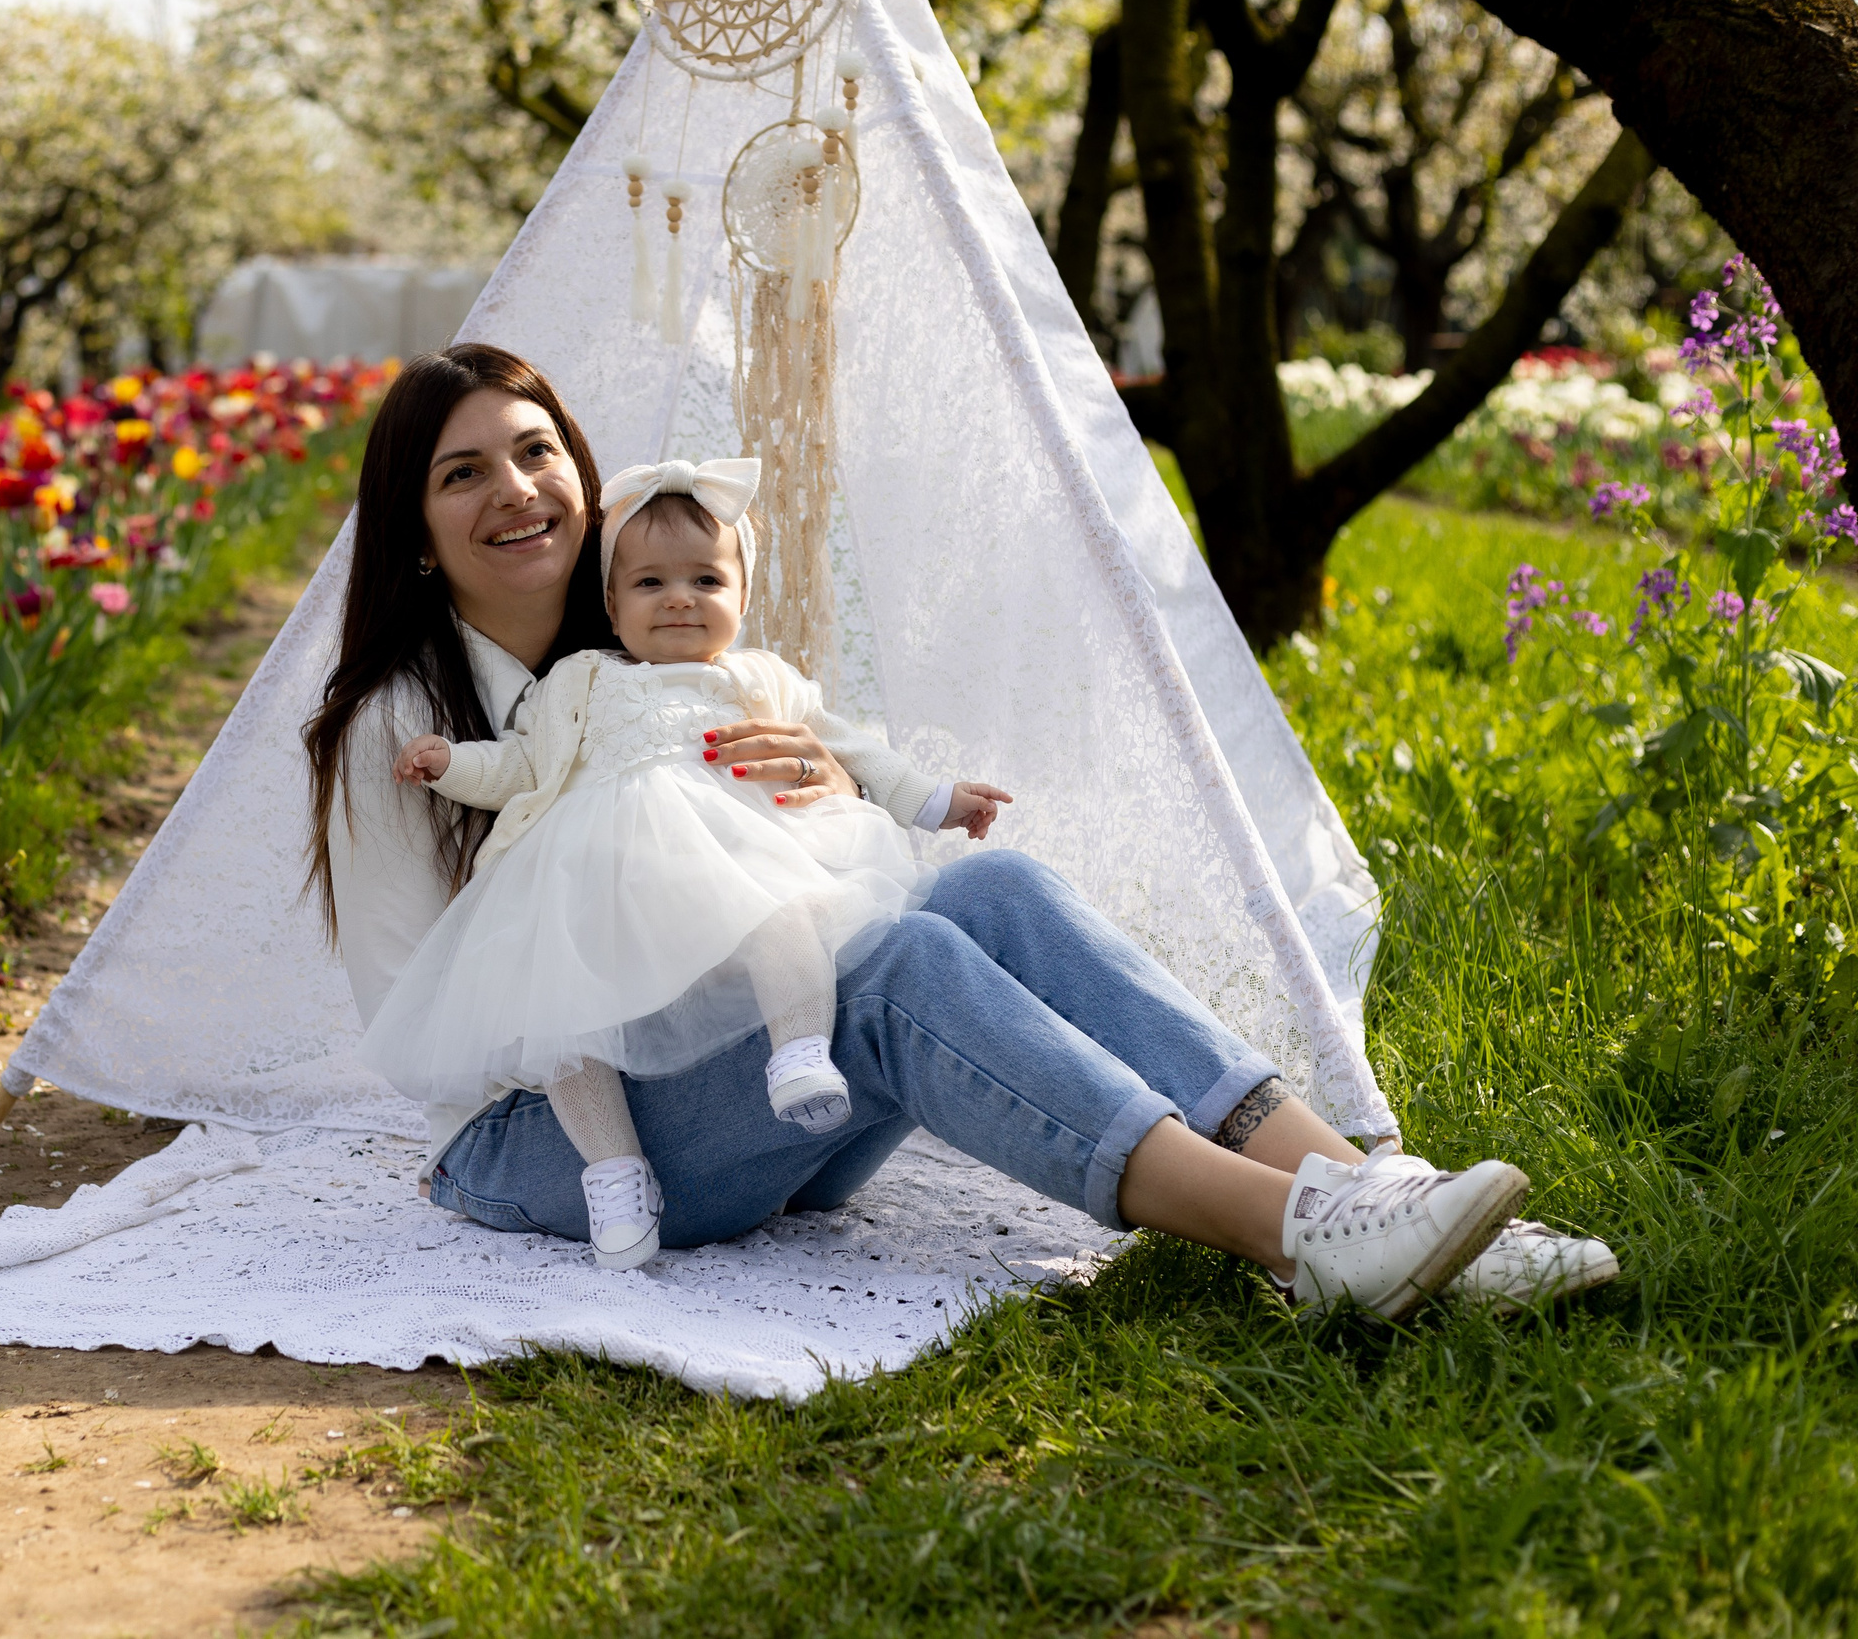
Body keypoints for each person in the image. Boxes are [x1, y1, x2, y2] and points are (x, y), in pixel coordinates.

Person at [305, 343, 1618, 1320]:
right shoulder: (396, 727)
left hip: (757, 1072)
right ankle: (1298, 1235)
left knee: (989, 895)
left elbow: (768, 871)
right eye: (462, 471)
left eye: (538, 451)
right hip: (560, 1133)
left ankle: (1384, 1201)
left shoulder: (655, 646)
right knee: (897, 972)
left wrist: (807, 782)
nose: (518, 489)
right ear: (416, 534)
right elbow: (439, 1036)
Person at [365, 455, 1014, 1268]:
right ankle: (613, 1175)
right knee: (564, 1017)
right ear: (610, 602)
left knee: (785, 916)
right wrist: (450, 763)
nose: (679, 598)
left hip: (732, 861)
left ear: (741, 600)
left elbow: (852, 748)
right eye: (650, 585)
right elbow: (522, 768)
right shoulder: (581, 681)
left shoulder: (757, 679)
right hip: (601, 890)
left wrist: (937, 799)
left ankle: (800, 1052)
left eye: (706, 580)